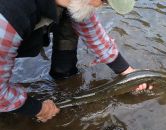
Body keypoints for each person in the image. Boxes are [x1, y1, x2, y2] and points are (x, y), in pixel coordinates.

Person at [0, 0, 152, 122]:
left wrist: (127, 71)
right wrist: (36, 108)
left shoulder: (75, 2)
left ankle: (62, 75)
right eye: (103, 0)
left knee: (72, 16)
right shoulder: (10, 15)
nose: (99, 6)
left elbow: (93, 33)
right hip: (9, 26)